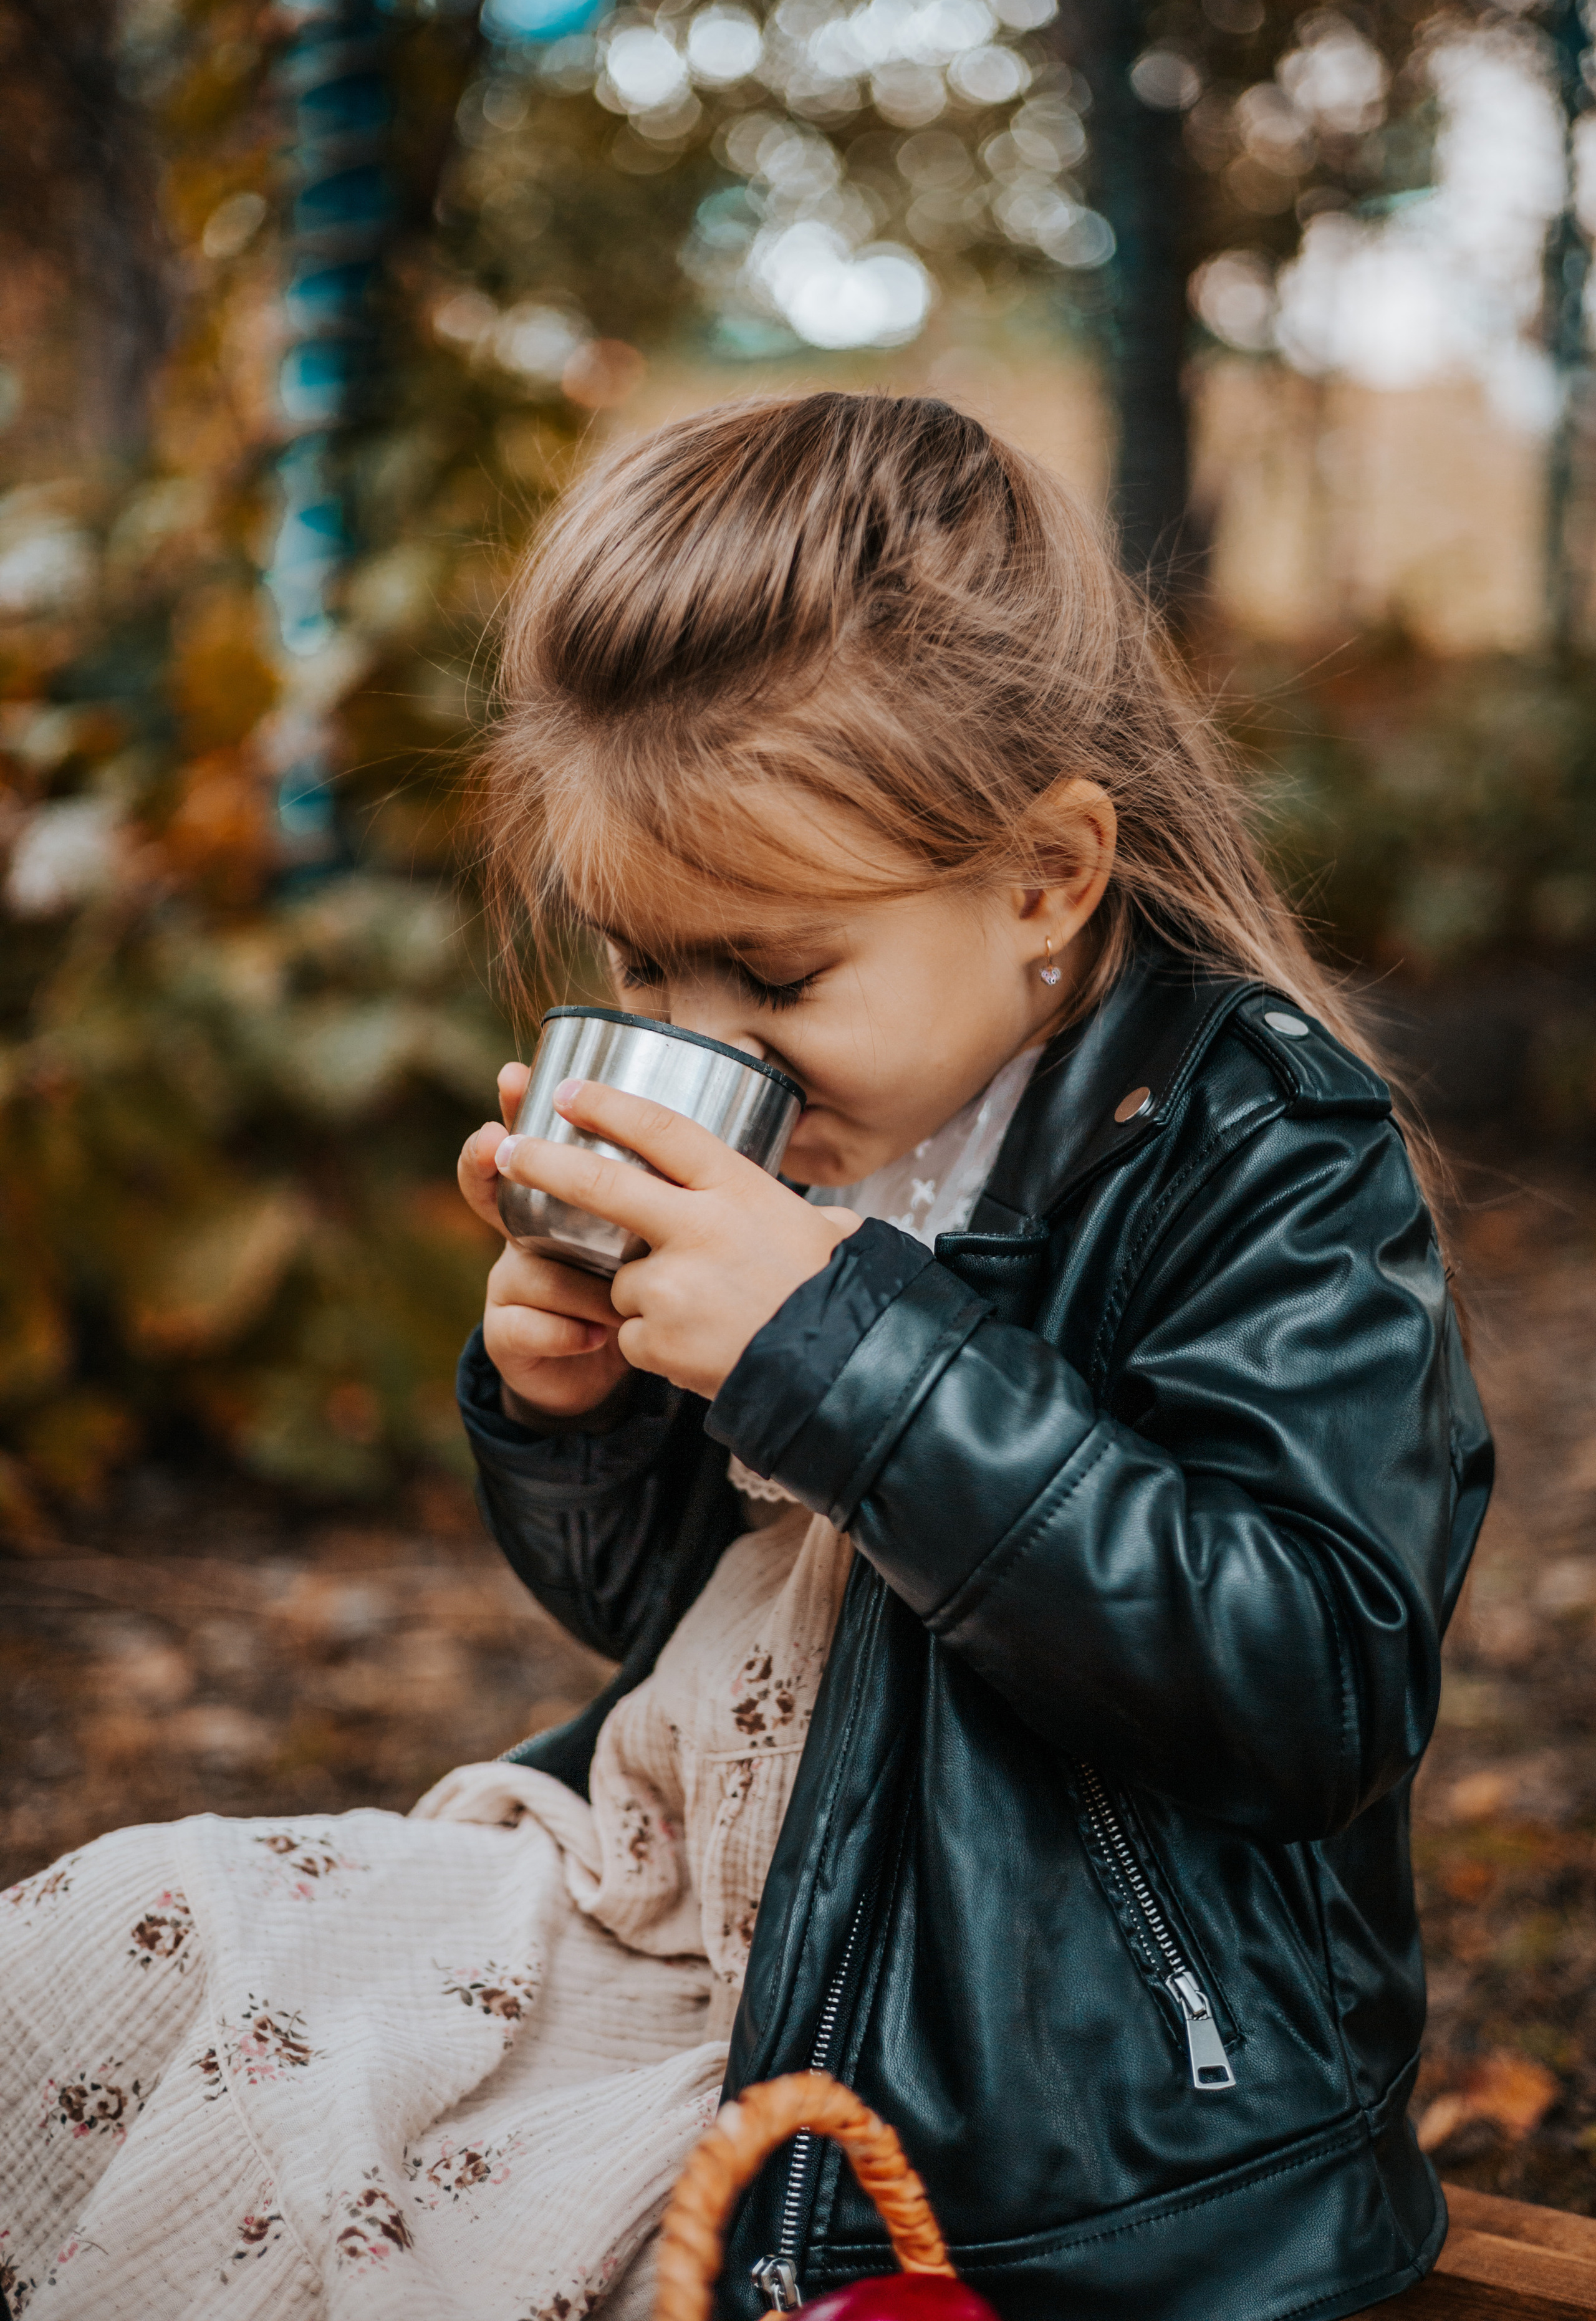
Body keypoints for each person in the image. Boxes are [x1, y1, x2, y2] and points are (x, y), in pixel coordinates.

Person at [0, 394, 1491, 2321]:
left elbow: (1311, 1676)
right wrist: (578, 1410)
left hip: (1057, 2111)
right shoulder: (843, 1137)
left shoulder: (1256, 1155)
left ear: (1043, 882)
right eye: (640, 966)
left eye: (774, 978)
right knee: (142, 1927)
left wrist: (834, 1350)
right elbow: (665, 1621)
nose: (709, 1045)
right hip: (684, 1898)